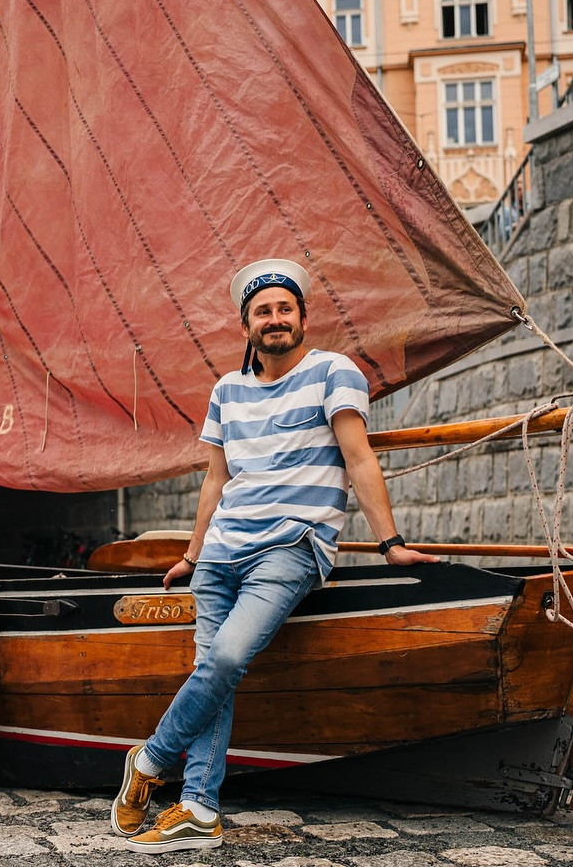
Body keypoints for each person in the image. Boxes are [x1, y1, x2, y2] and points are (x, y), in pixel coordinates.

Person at [111, 258, 440, 854]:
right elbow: (216, 480)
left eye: (285, 308)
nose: (275, 318)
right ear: (247, 325)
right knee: (213, 673)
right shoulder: (227, 391)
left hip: (291, 547)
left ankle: (151, 759)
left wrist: (389, 543)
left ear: (303, 318)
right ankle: (199, 809)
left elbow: (359, 458)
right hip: (220, 555)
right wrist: (192, 554)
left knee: (226, 658)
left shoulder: (333, 372)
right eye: (263, 311)